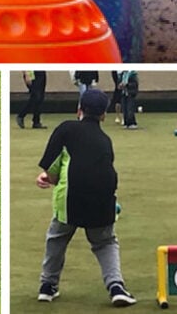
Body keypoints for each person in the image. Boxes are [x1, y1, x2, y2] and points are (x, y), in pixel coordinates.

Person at [35, 88, 136, 306]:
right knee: (105, 242)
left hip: (70, 199)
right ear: (103, 115)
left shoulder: (66, 129)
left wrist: (46, 178)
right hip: (103, 199)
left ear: (78, 109)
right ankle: (116, 286)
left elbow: (52, 172)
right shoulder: (105, 139)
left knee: (57, 238)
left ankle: (47, 286)